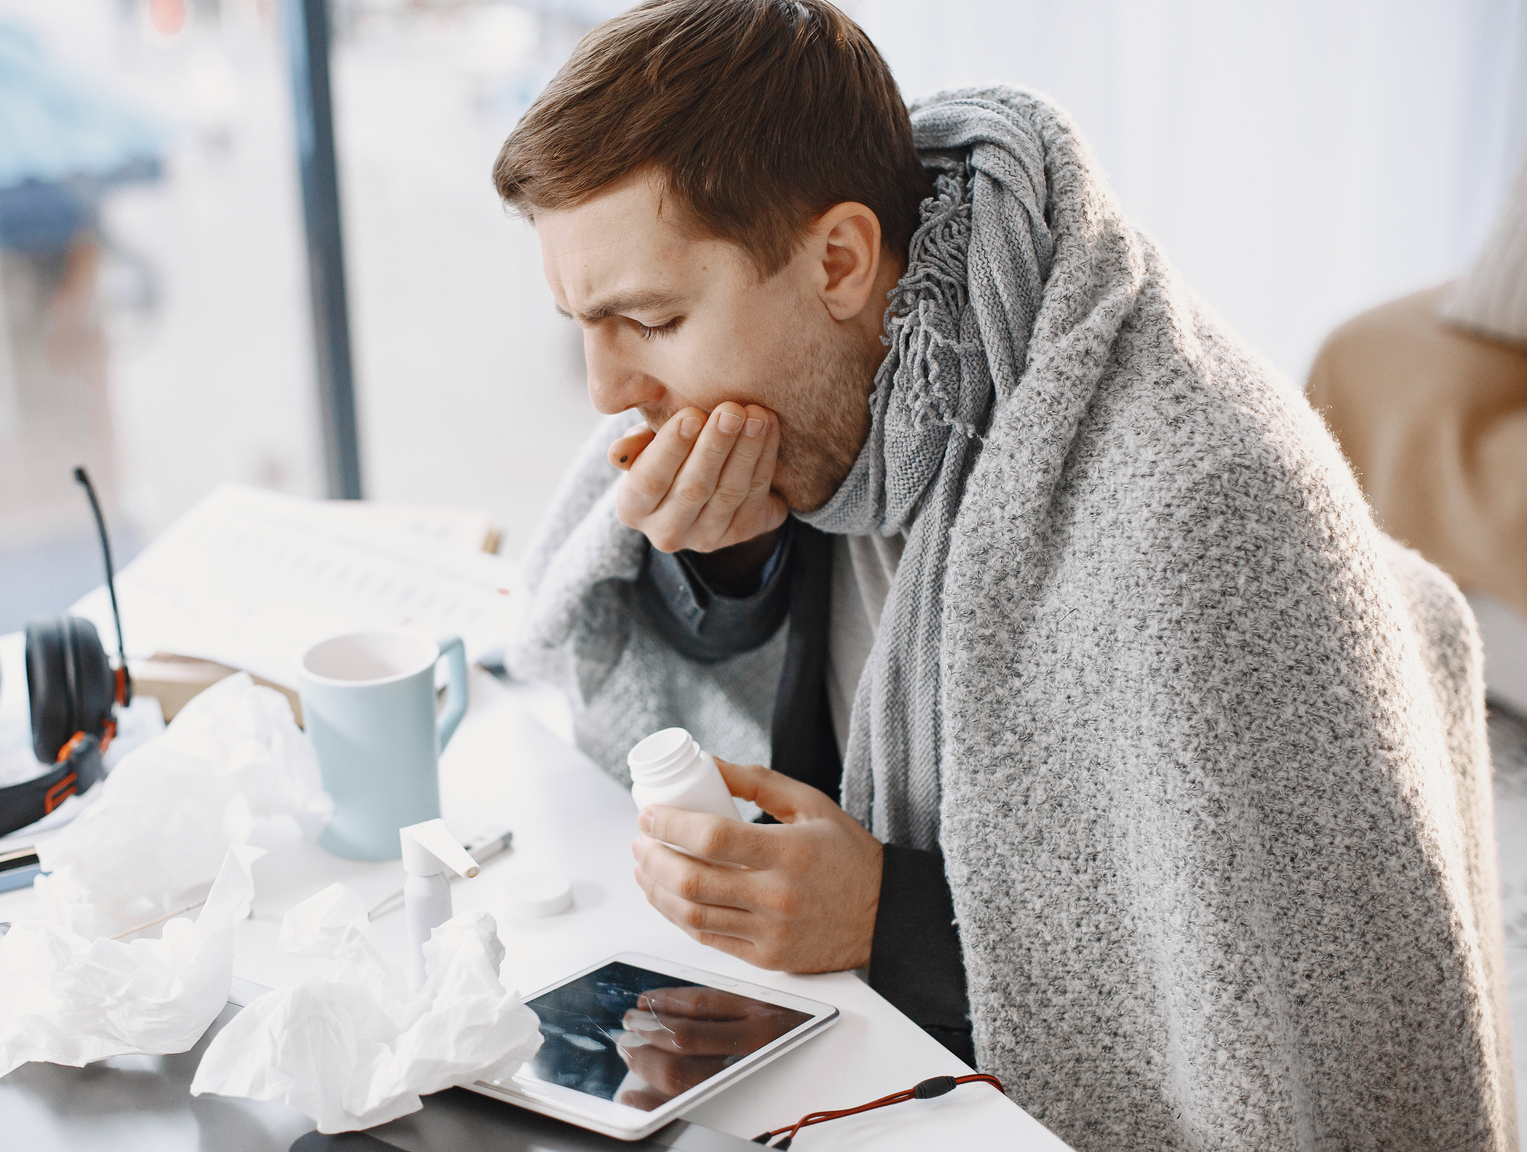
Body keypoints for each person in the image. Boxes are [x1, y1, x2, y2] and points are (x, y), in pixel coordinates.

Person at [493, 2, 1515, 1148]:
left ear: (839, 259)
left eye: (650, 320)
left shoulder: (1193, 513)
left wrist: (891, 917)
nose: (606, 392)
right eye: (583, 324)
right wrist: (729, 550)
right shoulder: (820, 385)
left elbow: (1257, 1018)